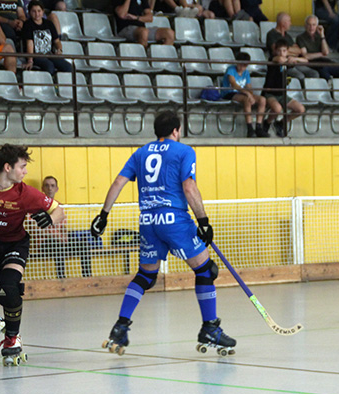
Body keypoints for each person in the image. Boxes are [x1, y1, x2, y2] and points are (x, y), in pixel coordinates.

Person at [91, 111, 236, 356]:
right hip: (174, 220)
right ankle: (210, 328)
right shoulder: (184, 151)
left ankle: (120, 326)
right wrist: (203, 221)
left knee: (146, 276)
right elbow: (189, 187)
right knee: (206, 270)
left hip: (148, 221)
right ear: (176, 130)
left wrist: (103, 215)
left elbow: (118, 182)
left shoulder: (140, 152)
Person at [0, 144, 65, 365]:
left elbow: (58, 210)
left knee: (9, 288)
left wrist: (50, 219)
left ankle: (12, 337)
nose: (25, 172)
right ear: (7, 167)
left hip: (14, 244)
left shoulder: (24, 193)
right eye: (22, 167)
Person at [261, 38, 306, 137]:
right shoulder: (272, 59)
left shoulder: (288, 61)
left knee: (300, 109)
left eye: (284, 51)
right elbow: (280, 59)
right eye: (279, 50)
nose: (281, 53)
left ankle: (280, 123)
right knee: (277, 109)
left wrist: (295, 59)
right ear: (275, 51)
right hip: (270, 93)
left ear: (287, 51)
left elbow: (305, 60)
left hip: (282, 93)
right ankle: (267, 122)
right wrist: (289, 59)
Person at [221, 52, 269, 138]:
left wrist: (251, 95)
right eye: (240, 65)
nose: (242, 68)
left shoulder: (246, 72)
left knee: (262, 100)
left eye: (244, 66)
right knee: (246, 99)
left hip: (242, 93)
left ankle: (258, 127)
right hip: (229, 93)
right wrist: (248, 94)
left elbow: (249, 86)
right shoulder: (231, 70)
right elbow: (234, 84)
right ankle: (249, 128)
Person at [296, 14, 339, 80]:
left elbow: (326, 51)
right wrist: (321, 54)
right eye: (309, 24)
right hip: (312, 63)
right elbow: (306, 56)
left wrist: (322, 35)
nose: (311, 27)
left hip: (324, 61)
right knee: (325, 73)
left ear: (317, 26)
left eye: (314, 25)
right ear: (305, 25)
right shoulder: (300, 37)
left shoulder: (319, 36)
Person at [21, 0, 70, 74]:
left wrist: (59, 50)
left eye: (39, 11)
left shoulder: (49, 24)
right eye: (34, 11)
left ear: (43, 11)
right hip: (36, 55)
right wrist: (30, 60)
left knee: (68, 67)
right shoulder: (28, 24)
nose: (37, 14)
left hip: (49, 54)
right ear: (29, 12)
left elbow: (57, 41)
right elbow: (29, 44)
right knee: (49, 66)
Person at [266, 12, 319, 80]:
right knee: (300, 76)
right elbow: (276, 50)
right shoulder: (272, 34)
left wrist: (286, 50)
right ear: (283, 23)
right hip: (281, 65)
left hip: (293, 62)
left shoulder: (288, 36)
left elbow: (298, 50)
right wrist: (290, 51)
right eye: (289, 21)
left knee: (314, 73)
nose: (290, 23)